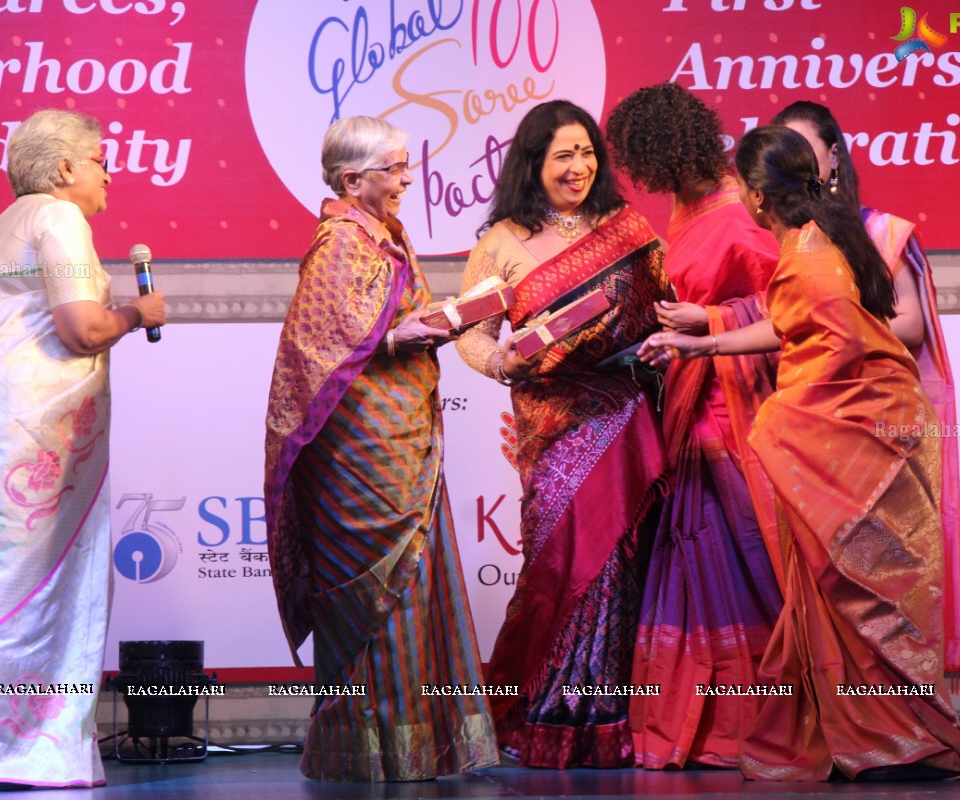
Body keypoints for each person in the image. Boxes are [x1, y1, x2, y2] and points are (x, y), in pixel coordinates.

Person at [639, 126, 960, 781]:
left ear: (755, 197)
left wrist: (777, 420)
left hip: (855, 439)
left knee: (860, 592)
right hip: (870, 430)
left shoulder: (807, 257)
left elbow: (836, 353)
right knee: (853, 593)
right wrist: (702, 344)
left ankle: (896, 741)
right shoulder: (822, 241)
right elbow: (797, 330)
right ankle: (873, 736)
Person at [0, 109, 167, 791]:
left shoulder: (2, 231)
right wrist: (136, 315)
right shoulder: (60, 220)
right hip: (25, 450)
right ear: (66, 168)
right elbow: (81, 328)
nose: (109, 172)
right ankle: (12, 755)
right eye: (100, 159)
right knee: (28, 596)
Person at [263, 116, 498, 782]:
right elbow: (329, 351)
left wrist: (446, 319)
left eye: (404, 166)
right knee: (378, 589)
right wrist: (408, 334)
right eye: (394, 169)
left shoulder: (385, 234)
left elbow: (391, 324)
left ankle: (415, 748)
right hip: (360, 446)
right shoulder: (340, 243)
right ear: (352, 180)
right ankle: (368, 752)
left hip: (402, 433)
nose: (406, 179)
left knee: (414, 579)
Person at [455, 100, 671, 769]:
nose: (578, 168)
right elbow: (470, 331)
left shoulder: (626, 226)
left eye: (586, 154)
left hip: (625, 408)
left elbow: (664, 302)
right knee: (566, 558)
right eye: (562, 157)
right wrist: (500, 362)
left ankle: (613, 715)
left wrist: (663, 342)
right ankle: (549, 711)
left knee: (622, 561)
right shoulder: (500, 243)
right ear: (533, 164)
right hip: (550, 416)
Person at [605, 83, 783, 769]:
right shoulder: (687, 205)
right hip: (687, 391)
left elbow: (789, 311)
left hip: (733, 409)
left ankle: (761, 721)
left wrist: (706, 325)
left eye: (645, 162)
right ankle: (702, 727)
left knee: (736, 551)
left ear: (668, 152)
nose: (646, 181)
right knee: (694, 553)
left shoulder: (745, 213)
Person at [773, 101, 960, 680]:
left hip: (873, 423)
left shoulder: (876, 230)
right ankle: (841, 710)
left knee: (879, 568)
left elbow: (909, 324)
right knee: (826, 570)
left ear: (834, 158)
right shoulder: (792, 240)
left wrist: (839, 321)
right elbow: (783, 323)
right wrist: (707, 335)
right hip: (816, 427)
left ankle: (896, 713)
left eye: (809, 155)